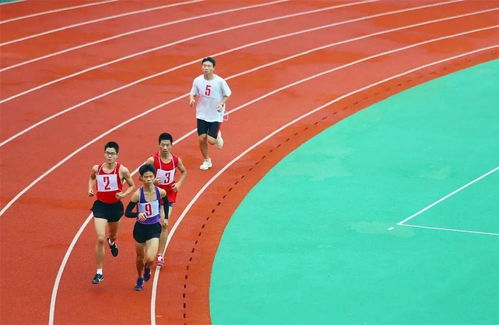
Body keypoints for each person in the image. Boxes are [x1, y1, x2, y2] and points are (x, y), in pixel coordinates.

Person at [88, 141, 135, 284]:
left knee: (112, 235)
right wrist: (90, 188)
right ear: (104, 153)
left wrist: (124, 194)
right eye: (107, 153)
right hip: (100, 206)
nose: (109, 156)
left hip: (115, 207)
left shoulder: (122, 170)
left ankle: (112, 242)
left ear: (117, 155)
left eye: (112, 154)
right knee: (100, 238)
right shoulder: (97, 168)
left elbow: (132, 185)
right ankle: (99, 272)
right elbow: (91, 178)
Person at [143, 132, 187, 267]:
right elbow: (141, 176)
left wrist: (179, 183)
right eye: (163, 145)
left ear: (172, 146)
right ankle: (149, 245)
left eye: (168, 145)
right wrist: (151, 181)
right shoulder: (153, 160)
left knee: (164, 223)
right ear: (159, 145)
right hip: (154, 195)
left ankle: (160, 255)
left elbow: (184, 172)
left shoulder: (175, 160)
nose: (165, 147)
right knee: (151, 224)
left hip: (168, 196)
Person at [125, 164, 169, 291]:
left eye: (151, 176)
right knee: (140, 258)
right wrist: (137, 214)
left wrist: (165, 217)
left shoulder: (160, 192)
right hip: (140, 229)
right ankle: (139, 277)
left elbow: (165, 202)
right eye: (146, 177)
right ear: (141, 178)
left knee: (150, 257)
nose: (149, 179)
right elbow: (127, 213)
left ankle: (148, 268)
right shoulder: (137, 195)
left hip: (154, 228)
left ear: (154, 177)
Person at [189, 56, 232, 170]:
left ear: (213, 68)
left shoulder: (220, 81)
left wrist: (221, 103)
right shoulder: (197, 80)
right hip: (202, 113)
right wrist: (192, 99)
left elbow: (227, 94)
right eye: (204, 66)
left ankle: (217, 136)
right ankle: (207, 160)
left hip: (215, 114)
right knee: (201, 138)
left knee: (211, 141)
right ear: (201, 67)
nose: (206, 68)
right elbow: (193, 93)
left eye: (209, 66)